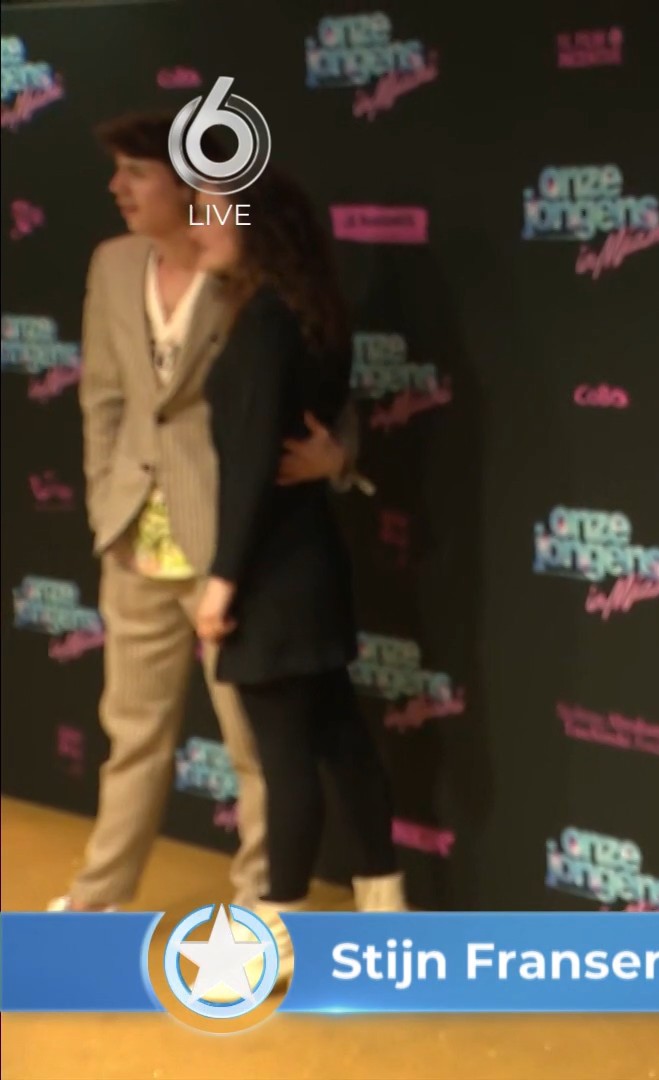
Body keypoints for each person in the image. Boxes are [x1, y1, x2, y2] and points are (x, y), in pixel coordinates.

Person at [56, 112, 362, 914]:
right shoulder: (112, 264)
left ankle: (264, 902)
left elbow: (324, 379)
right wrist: (105, 504)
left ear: (189, 184)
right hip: (134, 537)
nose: (117, 188)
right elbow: (104, 400)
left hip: (235, 545)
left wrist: (339, 456)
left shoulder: (248, 271)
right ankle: (99, 899)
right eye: (118, 172)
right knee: (132, 736)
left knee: (255, 745)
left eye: (136, 173)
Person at [185, 165, 408, 973]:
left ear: (256, 225)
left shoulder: (266, 324)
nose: (197, 227)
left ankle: (276, 935)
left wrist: (221, 582)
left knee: (287, 759)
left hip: (272, 577)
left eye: (209, 213)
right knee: (341, 740)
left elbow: (252, 466)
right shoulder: (309, 317)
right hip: (308, 563)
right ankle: (384, 908)